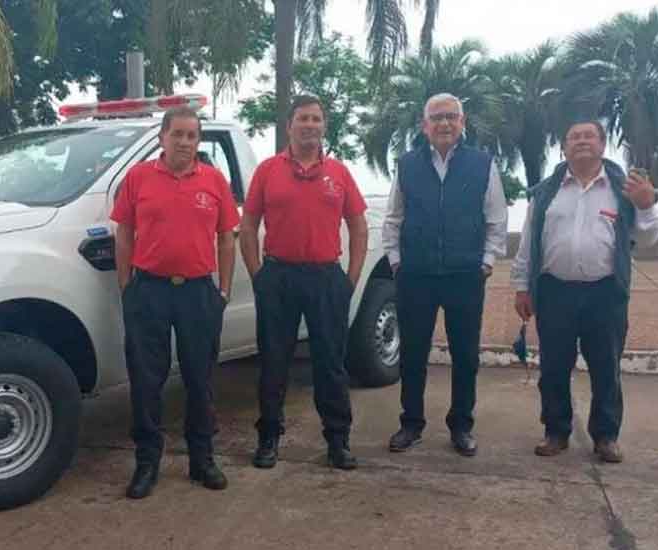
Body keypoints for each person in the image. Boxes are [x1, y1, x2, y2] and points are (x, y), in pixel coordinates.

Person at [111, 107, 240, 499]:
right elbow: (124, 233)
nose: (185, 142)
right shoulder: (138, 178)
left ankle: (202, 460)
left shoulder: (214, 180)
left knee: (199, 380)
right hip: (148, 290)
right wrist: (127, 287)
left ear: (199, 140)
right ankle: (147, 462)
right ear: (162, 138)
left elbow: (226, 238)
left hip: (199, 293)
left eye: (191, 135)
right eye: (177, 134)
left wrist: (223, 290)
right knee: (147, 380)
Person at [512, 120, 658, 463]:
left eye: (588, 136)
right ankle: (556, 431)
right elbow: (528, 243)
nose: (581, 141)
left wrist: (647, 205)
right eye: (573, 137)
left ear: (602, 145)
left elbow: (648, 239)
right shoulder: (547, 191)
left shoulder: (624, 189)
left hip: (605, 294)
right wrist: (522, 286)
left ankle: (606, 436)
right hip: (554, 292)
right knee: (554, 367)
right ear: (563, 147)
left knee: (606, 367)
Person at [240, 95, 369, 471]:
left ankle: (337, 441)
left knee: (330, 363)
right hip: (277, 277)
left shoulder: (340, 173)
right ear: (289, 126)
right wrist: (257, 275)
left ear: (323, 126)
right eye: (303, 118)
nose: (310, 124)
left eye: (316, 119)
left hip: (326, 278)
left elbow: (358, 226)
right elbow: (248, 226)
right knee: (274, 362)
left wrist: (350, 278)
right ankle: (268, 439)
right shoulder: (267, 171)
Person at [383, 93, 508, 457]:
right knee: (413, 353)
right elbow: (394, 217)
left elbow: (496, 219)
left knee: (465, 355)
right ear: (424, 126)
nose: (444, 123)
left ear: (462, 123)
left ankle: (462, 425)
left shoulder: (482, 164)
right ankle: (411, 423)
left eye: (451, 117)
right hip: (416, 275)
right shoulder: (407, 165)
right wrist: (396, 261)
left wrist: (485, 262)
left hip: (464, 276)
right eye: (437, 117)